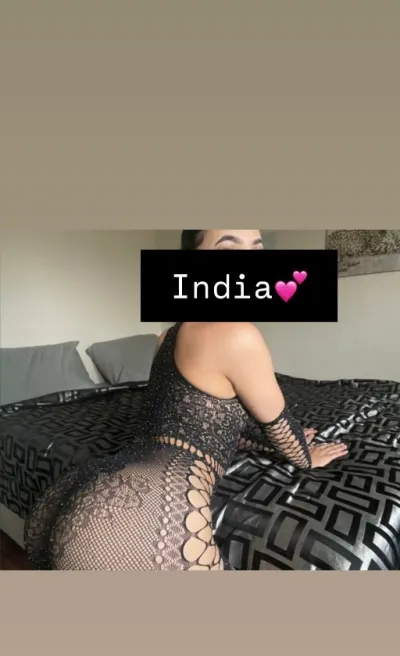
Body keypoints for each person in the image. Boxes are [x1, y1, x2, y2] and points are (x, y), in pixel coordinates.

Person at [24, 230, 347, 571]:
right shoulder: (239, 334)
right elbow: (280, 428)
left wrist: (268, 445)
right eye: (227, 249)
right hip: (142, 511)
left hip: (84, 490)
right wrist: (305, 457)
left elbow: (203, 424)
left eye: (257, 249)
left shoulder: (168, 334)